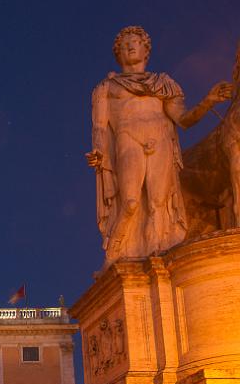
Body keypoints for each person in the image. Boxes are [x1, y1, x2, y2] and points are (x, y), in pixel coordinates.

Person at [87, 26, 232, 267]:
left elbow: (183, 120)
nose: (130, 46)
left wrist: (208, 101)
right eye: (125, 44)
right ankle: (117, 247)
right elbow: (100, 127)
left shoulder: (163, 84)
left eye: (135, 42)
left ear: (146, 50)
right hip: (127, 138)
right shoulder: (106, 88)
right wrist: (99, 152)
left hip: (161, 140)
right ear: (118, 53)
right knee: (131, 201)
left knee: (158, 203)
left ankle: (159, 257)